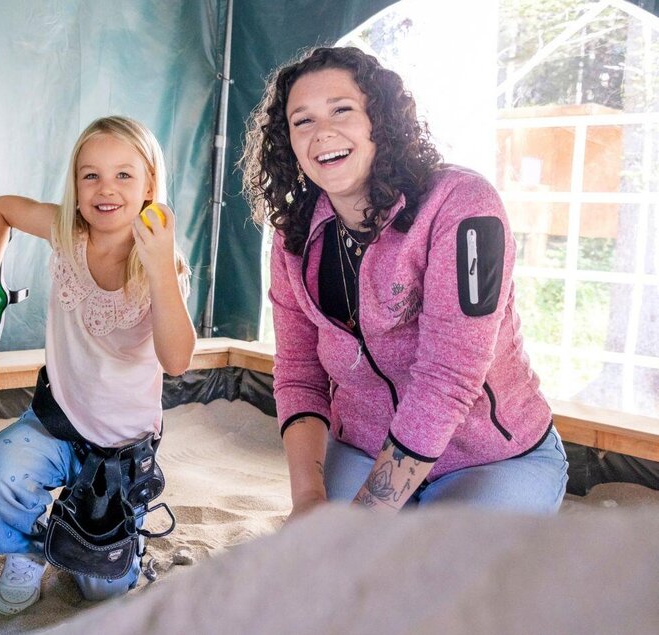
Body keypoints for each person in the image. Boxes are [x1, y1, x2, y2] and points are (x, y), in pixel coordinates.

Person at [240, 46, 568, 518]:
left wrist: (364, 520)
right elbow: (298, 373)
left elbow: (448, 377)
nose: (323, 132)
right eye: (302, 121)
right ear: (287, 142)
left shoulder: (461, 204)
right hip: (364, 446)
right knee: (321, 570)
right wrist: (309, 503)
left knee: (430, 576)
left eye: (342, 110)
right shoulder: (293, 233)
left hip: (492, 457)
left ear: (381, 119)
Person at [0, 115, 195, 615]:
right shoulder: (65, 231)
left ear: (150, 183)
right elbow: (0, 210)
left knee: (101, 591)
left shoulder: (162, 263)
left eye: (124, 175)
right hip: (57, 424)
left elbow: (176, 361)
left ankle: (120, 541)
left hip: (119, 449)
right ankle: (25, 555)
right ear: (75, 183)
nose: (105, 189)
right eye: (90, 175)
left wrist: (159, 271)